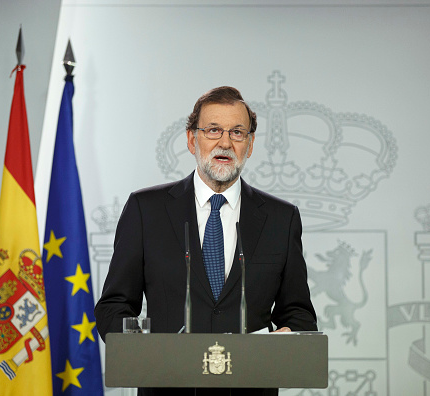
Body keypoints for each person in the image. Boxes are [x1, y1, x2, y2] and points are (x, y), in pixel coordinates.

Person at [95, 86, 317, 396]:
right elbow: (114, 305)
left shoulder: (282, 218)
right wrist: (139, 347)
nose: (225, 142)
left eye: (237, 133)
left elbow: (299, 313)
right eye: (213, 130)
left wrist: (285, 337)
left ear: (250, 145)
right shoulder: (146, 210)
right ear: (191, 139)